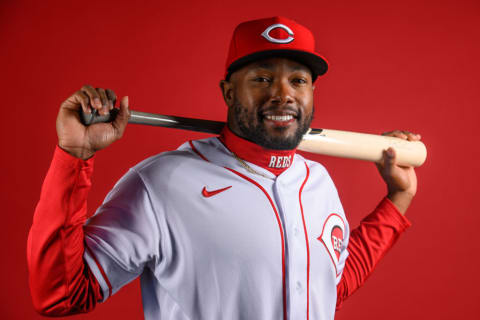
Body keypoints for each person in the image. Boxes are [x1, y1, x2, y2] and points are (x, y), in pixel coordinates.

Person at [28, 16, 420, 320]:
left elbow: (326, 288)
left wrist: (397, 197)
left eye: (297, 80)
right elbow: (60, 294)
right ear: (229, 91)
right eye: (262, 78)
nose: (282, 94)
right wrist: (73, 157)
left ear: (311, 92)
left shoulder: (318, 182)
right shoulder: (161, 184)